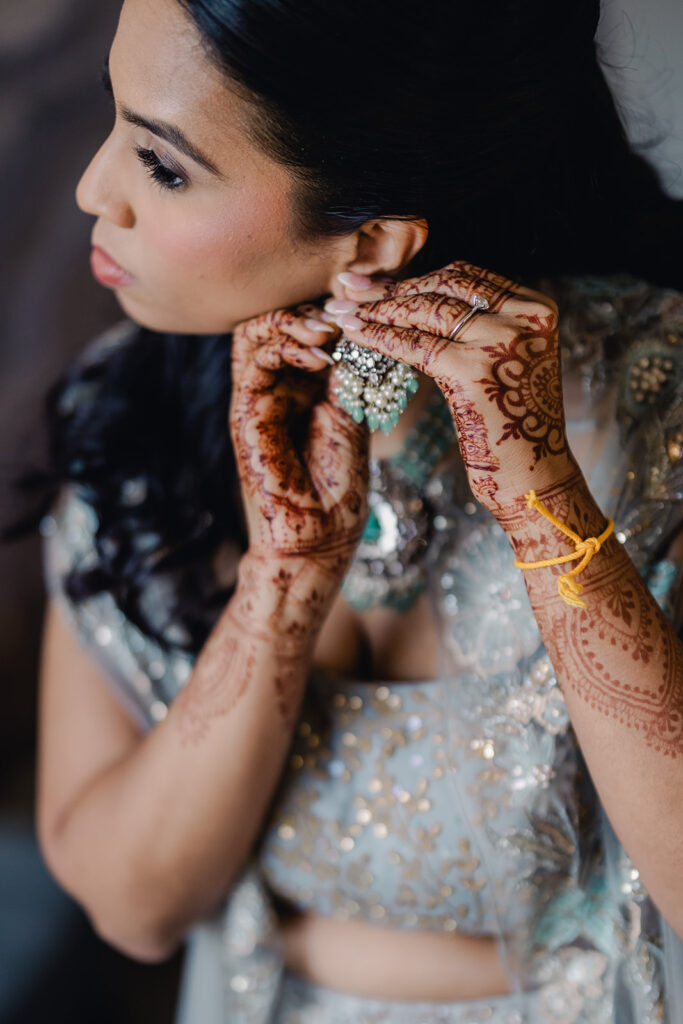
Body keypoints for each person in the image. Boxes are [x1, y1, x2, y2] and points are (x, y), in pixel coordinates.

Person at [10, 0, 683, 1019]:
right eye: (115, 117)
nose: (91, 188)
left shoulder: (657, 400)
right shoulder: (131, 412)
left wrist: (546, 510)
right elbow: (133, 906)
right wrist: (280, 583)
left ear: (370, 241)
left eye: (162, 166)